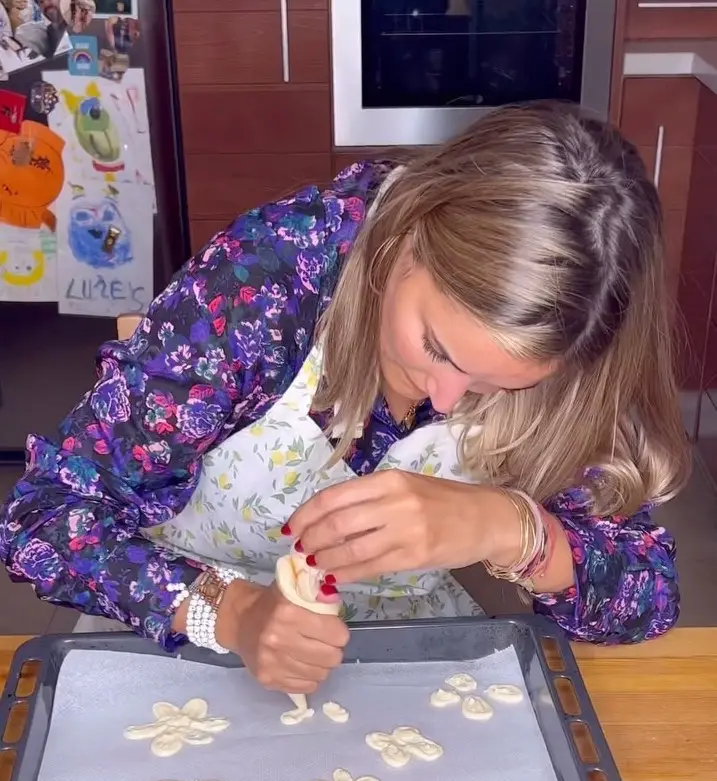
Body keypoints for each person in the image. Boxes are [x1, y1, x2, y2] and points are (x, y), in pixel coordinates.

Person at [0, 104, 690, 698]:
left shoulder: (576, 324)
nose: (447, 400)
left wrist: (510, 526)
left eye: (501, 386)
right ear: (406, 238)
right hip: (172, 626)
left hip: (406, 653)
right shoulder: (269, 282)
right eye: (436, 349)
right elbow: (46, 514)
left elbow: (644, 597)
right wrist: (231, 613)